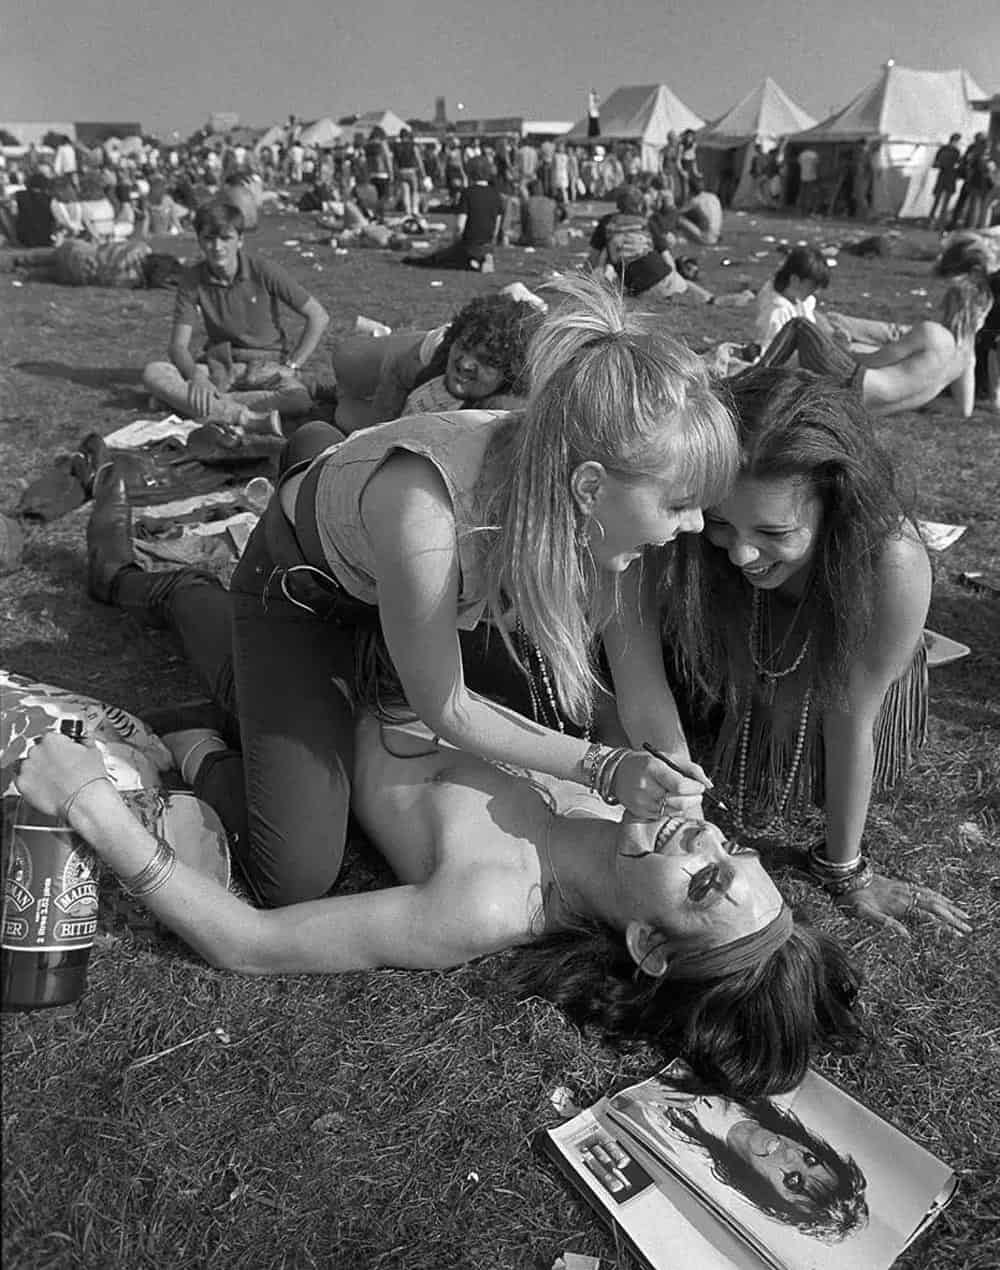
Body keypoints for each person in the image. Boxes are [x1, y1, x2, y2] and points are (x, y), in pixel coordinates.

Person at [88, 275, 738, 907]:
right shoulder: (428, 509)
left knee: (543, 715)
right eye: (680, 504)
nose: (694, 526)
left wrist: (680, 789)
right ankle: (178, 609)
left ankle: (313, 467)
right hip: (305, 594)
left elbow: (641, 689)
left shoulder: (603, 506)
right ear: (590, 487)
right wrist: (604, 768)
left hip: (393, 575)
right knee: (293, 873)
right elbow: (447, 706)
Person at [16, 706, 863, 1100]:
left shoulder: (488, 905)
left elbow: (249, 942)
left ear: (647, 945)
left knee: (195, 609)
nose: (706, 838)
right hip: (392, 655)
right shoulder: (635, 802)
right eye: (734, 850)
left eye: (707, 881)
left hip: (311, 709)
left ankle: (178, 678)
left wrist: (91, 806)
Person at [661, 367, 973, 935]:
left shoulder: (892, 565)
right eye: (722, 522)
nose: (741, 555)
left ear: (837, 507)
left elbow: (851, 715)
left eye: (774, 533)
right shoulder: (687, 531)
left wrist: (845, 870)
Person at [142, 200, 329, 433]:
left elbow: (318, 316)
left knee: (298, 399)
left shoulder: (263, 270)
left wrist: (293, 364)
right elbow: (178, 346)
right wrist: (196, 377)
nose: (217, 247)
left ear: (240, 240)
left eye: (225, 238)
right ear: (199, 240)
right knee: (155, 371)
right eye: (209, 239)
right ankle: (242, 416)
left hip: (265, 366)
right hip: (220, 365)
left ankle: (192, 403)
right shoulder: (192, 279)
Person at [609, 1072, 868, 1239]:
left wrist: (639, 1092)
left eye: (793, 1180)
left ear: (773, 1196)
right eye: (810, 1160)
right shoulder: (768, 1086)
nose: (791, 1153)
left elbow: (614, 1107)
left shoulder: (685, 1155)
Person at [759, 272, 994, 418]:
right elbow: (964, 410)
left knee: (800, 326)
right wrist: (922, 402)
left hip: (856, 386)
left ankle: (755, 378)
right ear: (981, 315)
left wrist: (841, 349)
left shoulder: (933, 333)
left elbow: (875, 361)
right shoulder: (967, 358)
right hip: (871, 408)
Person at [332, 292, 540, 432]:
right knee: (346, 357)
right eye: (464, 346)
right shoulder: (439, 351)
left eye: (487, 361)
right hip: (423, 356)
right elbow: (398, 372)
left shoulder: (511, 408)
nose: (465, 364)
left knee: (342, 416)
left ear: (510, 375)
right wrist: (377, 436)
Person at [403, 156, 501, 271]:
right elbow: (496, 226)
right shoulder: (496, 195)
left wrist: (454, 242)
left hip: (468, 245)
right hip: (487, 246)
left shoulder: (468, 193)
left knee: (438, 259)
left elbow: (460, 226)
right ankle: (482, 258)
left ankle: (472, 262)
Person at [754, 246, 831, 353]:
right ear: (795, 280)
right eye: (813, 286)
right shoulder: (777, 312)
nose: (816, 292)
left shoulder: (799, 296)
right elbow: (771, 352)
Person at [929, 133, 963, 230]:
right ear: (956, 141)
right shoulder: (956, 151)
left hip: (942, 177)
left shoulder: (942, 149)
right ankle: (940, 223)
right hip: (950, 178)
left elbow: (935, 163)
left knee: (936, 201)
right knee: (945, 203)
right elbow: (958, 164)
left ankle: (931, 221)